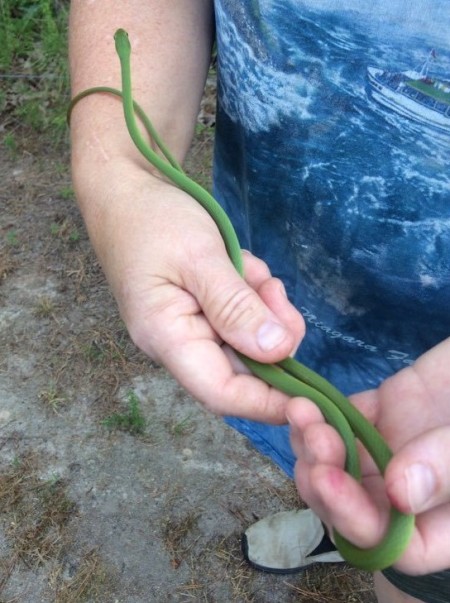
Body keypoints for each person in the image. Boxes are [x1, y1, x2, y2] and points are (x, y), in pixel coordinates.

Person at [69, 2, 450, 602]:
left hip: (435, 414)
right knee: (328, 462)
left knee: (410, 553)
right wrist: (119, 177)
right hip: (289, 300)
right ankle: (335, 523)